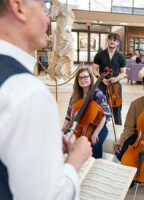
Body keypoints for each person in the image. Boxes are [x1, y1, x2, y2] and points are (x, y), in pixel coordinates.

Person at [0, 0, 92, 199]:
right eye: (44, 8)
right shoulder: (27, 92)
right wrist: (76, 159)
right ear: (18, 7)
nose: (47, 20)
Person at [62, 67, 111, 158]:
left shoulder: (98, 94)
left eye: (85, 77)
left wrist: (96, 132)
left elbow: (106, 115)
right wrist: (63, 129)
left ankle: (95, 165)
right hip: (78, 125)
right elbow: (69, 116)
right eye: (80, 78)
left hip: (97, 125)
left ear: (90, 78)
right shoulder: (75, 96)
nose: (83, 80)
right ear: (77, 81)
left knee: (96, 143)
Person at [92, 32, 126, 125]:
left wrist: (116, 79)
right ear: (107, 40)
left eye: (114, 40)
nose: (112, 41)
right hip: (102, 84)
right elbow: (94, 70)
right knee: (100, 109)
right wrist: (101, 78)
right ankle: (101, 128)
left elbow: (123, 73)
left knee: (117, 110)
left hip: (115, 86)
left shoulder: (121, 57)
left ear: (118, 42)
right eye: (110, 39)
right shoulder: (99, 55)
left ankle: (118, 130)